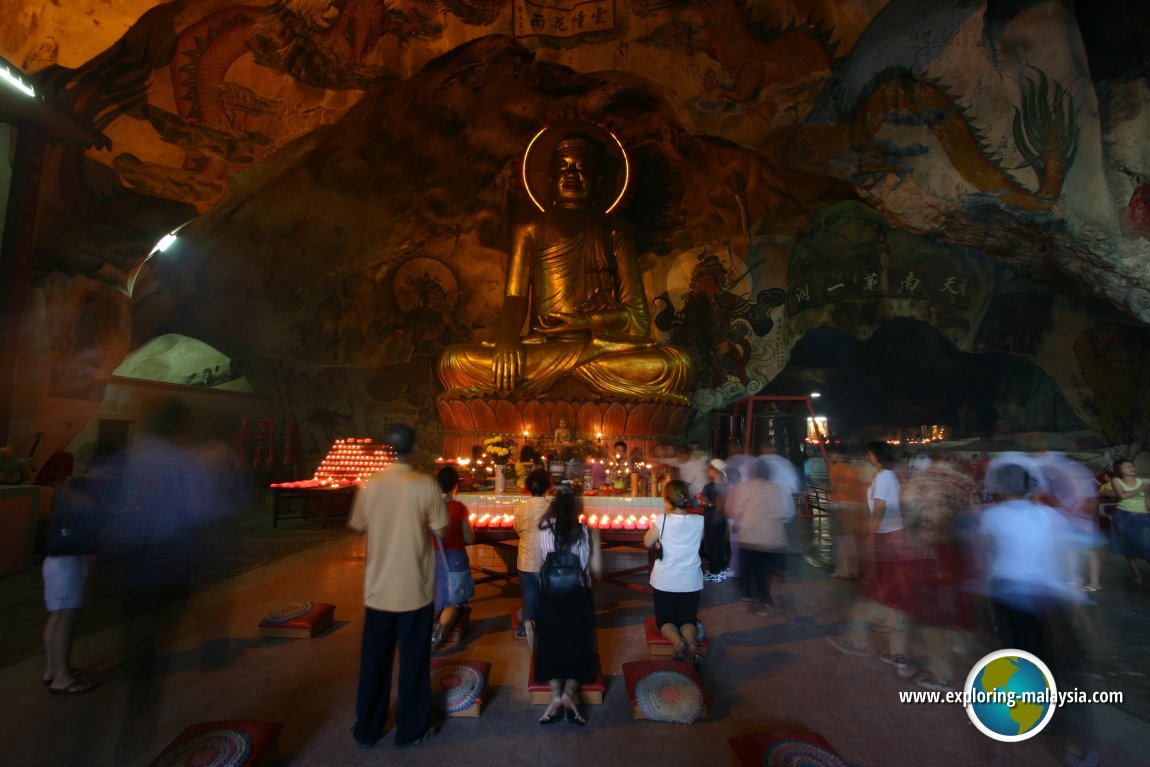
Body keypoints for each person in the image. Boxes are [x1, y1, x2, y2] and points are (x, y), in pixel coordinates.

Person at [438, 125, 693, 402]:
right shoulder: (530, 229)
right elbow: (515, 296)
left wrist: (584, 322)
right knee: (455, 361)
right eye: (564, 167)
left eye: (582, 167)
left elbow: (639, 320)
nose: (572, 175)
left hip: (597, 349)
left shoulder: (615, 230)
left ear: (596, 179)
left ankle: (552, 384)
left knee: (675, 364)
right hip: (543, 349)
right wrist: (507, 340)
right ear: (550, 177)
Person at [348, 423, 447, 749]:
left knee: (374, 661)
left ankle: (368, 729)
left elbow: (358, 524)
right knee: (414, 661)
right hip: (415, 588)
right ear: (413, 448)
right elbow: (441, 528)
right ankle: (411, 729)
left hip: (379, 588)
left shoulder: (371, 484)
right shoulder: (425, 484)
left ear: (386, 450)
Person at [534, 489, 602, 726]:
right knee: (579, 642)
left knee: (551, 642)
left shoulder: (541, 530)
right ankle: (569, 693)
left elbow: (536, 567)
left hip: (550, 596)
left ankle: (554, 695)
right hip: (578, 596)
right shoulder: (586, 531)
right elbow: (597, 568)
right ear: (577, 510)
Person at [41, 474, 103, 695]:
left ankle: (53, 669)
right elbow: (83, 545)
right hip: (66, 566)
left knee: (58, 617)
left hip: (56, 563)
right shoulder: (75, 514)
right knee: (65, 619)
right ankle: (62, 678)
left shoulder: (63, 511)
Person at [645, 479, 705, 664]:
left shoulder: (662, 520)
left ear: (668, 501)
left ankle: (677, 642)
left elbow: (647, 542)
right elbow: (699, 541)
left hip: (665, 580)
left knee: (665, 620)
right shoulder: (699, 520)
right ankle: (693, 643)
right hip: (691, 580)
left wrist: (658, 542)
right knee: (688, 619)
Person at [727, 458, 793, 615]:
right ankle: (765, 598)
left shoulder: (746, 488)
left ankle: (761, 602)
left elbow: (736, 511)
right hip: (774, 538)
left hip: (751, 537)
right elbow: (786, 513)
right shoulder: (779, 489)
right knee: (765, 570)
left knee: (753, 571)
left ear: (753, 473)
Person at [431, 465, 475, 652]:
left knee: (434, 596)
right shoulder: (458, 508)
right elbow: (469, 538)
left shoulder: (428, 508)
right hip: (454, 557)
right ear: (455, 485)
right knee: (453, 599)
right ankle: (440, 631)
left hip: (431, 557)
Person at [513, 468, 552, 645]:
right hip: (548, 560)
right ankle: (546, 627)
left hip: (526, 561)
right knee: (548, 596)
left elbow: (518, 528)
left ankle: (526, 626)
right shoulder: (553, 507)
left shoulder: (520, 508)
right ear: (548, 487)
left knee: (530, 598)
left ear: (527, 488)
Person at [1107, 459, 1150, 585]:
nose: (1132, 468)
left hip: (1141, 517)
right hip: (1124, 517)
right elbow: (1123, 496)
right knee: (1127, 548)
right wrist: (1141, 489)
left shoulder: (1142, 481)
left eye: (1132, 466)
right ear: (1120, 470)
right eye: (1127, 467)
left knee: (1146, 547)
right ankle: (1137, 576)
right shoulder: (1116, 481)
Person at [699, 459, 729, 582]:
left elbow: (711, 503)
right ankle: (720, 570)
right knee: (719, 545)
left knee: (713, 547)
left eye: (709, 469)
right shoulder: (726, 485)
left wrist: (704, 502)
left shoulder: (711, 486)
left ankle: (716, 572)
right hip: (722, 520)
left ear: (714, 471)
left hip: (713, 519)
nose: (708, 471)